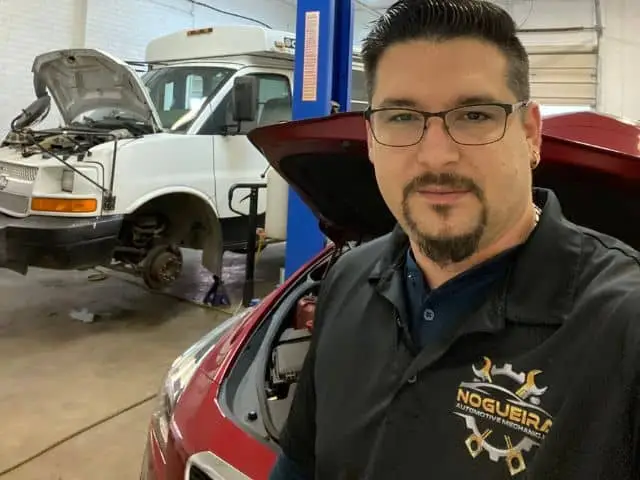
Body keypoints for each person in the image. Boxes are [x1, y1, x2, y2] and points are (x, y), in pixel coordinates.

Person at [269, 0, 640, 478]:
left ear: (530, 134)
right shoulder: (347, 279)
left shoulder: (624, 328)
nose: (437, 157)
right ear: (372, 138)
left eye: (475, 115)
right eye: (401, 117)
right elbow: (300, 465)